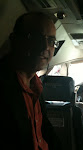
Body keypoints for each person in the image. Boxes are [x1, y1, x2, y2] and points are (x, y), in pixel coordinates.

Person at [0, 12, 61, 150]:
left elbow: (44, 131)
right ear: (14, 39)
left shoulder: (36, 85)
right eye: (35, 38)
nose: (45, 46)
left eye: (51, 41)